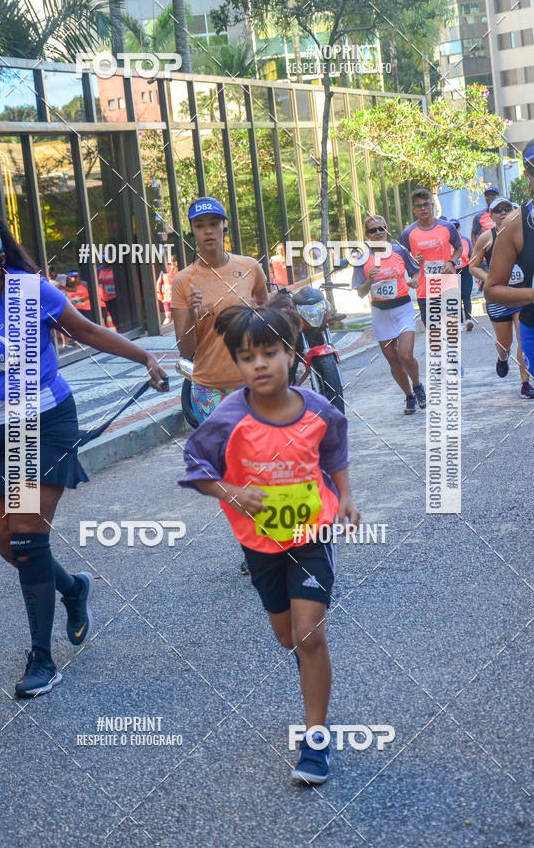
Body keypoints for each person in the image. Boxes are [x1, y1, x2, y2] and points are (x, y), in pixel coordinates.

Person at [0, 215, 168, 698]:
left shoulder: (31, 292)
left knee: (25, 536)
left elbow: (87, 332)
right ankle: (72, 589)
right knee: (7, 545)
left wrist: (145, 358)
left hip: (42, 419)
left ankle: (42, 659)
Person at [178, 303, 360, 785]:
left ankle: (315, 738)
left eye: (268, 352)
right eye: (246, 356)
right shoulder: (227, 417)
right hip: (260, 543)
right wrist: (232, 492)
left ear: (290, 354)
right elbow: (197, 468)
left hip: (313, 534)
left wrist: (345, 497)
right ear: (237, 365)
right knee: (287, 637)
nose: (259, 364)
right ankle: (311, 698)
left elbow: (335, 451)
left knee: (309, 634)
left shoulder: (317, 409)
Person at [171, 197, 268, 424]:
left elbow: (267, 308)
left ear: (224, 227)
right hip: (209, 389)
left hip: (253, 382)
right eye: (200, 225)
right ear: (192, 231)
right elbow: (185, 350)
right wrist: (193, 315)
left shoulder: (249, 267)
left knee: (257, 453)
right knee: (226, 454)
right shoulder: (183, 281)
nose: (208, 231)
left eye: (214, 223)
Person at [353, 215, 425, 415]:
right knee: (393, 360)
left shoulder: (399, 251)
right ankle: (409, 396)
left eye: (381, 228)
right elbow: (359, 292)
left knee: (405, 355)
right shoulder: (362, 258)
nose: (378, 233)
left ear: (387, 230)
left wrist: (414, 281)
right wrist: (368, 281)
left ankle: (418, 385)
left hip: (403, 309)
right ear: (366, 235)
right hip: (380, 313)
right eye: (373, 230)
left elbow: (416, 271)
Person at [478, 184, 534, 399]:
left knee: (523, 338)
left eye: (506, 208)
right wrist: (490, 279)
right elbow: (473, 266)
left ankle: (524, 382)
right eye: (497, 210)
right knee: (505, 342)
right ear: (490, 215)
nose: (502, 212)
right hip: (500, 298)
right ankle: (502, 358)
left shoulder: (524, 228)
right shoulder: (487, 238)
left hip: (522, 293)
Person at [400, 188, 463, 331]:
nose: (423, 208)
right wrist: (412, 262)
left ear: (432, 206)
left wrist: (451, 262)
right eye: (419, 206)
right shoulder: (408, 233)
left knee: (451, 333)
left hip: (448, 286)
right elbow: (402, 259)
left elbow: (459, 247)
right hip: (425, 291)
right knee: (435, 335)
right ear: (414, 209)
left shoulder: (447, 227)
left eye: (426, 204)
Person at [451, 219, 474, 331]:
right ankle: (459, 321)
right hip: (453, 272)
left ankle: (468, 319)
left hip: (465, 270)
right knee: (456, 297)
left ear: (459, 228)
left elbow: (471, 255)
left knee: (466, 295)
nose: (455, 230)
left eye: (457, 227)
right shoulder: (446, 242)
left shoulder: (466, 240)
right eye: (453, 228)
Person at [97, 255, 119, 330]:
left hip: (117, 296)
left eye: (107, 260)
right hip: (106, 297)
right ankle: (115, 329)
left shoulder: (115, 269)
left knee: (118, 313)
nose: (105, 262)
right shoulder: (98, 271)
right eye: (104, 260)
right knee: (110, 314)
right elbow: (97, 283)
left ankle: (120, 328)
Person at [156, 254, 179, 325]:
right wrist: (158, 292)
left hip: (177, 296)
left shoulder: (179, 271)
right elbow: (158, 283)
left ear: (177, 263)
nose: (172, 267)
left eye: (174, 265)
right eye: (170, 265)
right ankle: (168, 319)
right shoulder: (164, 272)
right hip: (166, 295)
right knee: (167, 313)